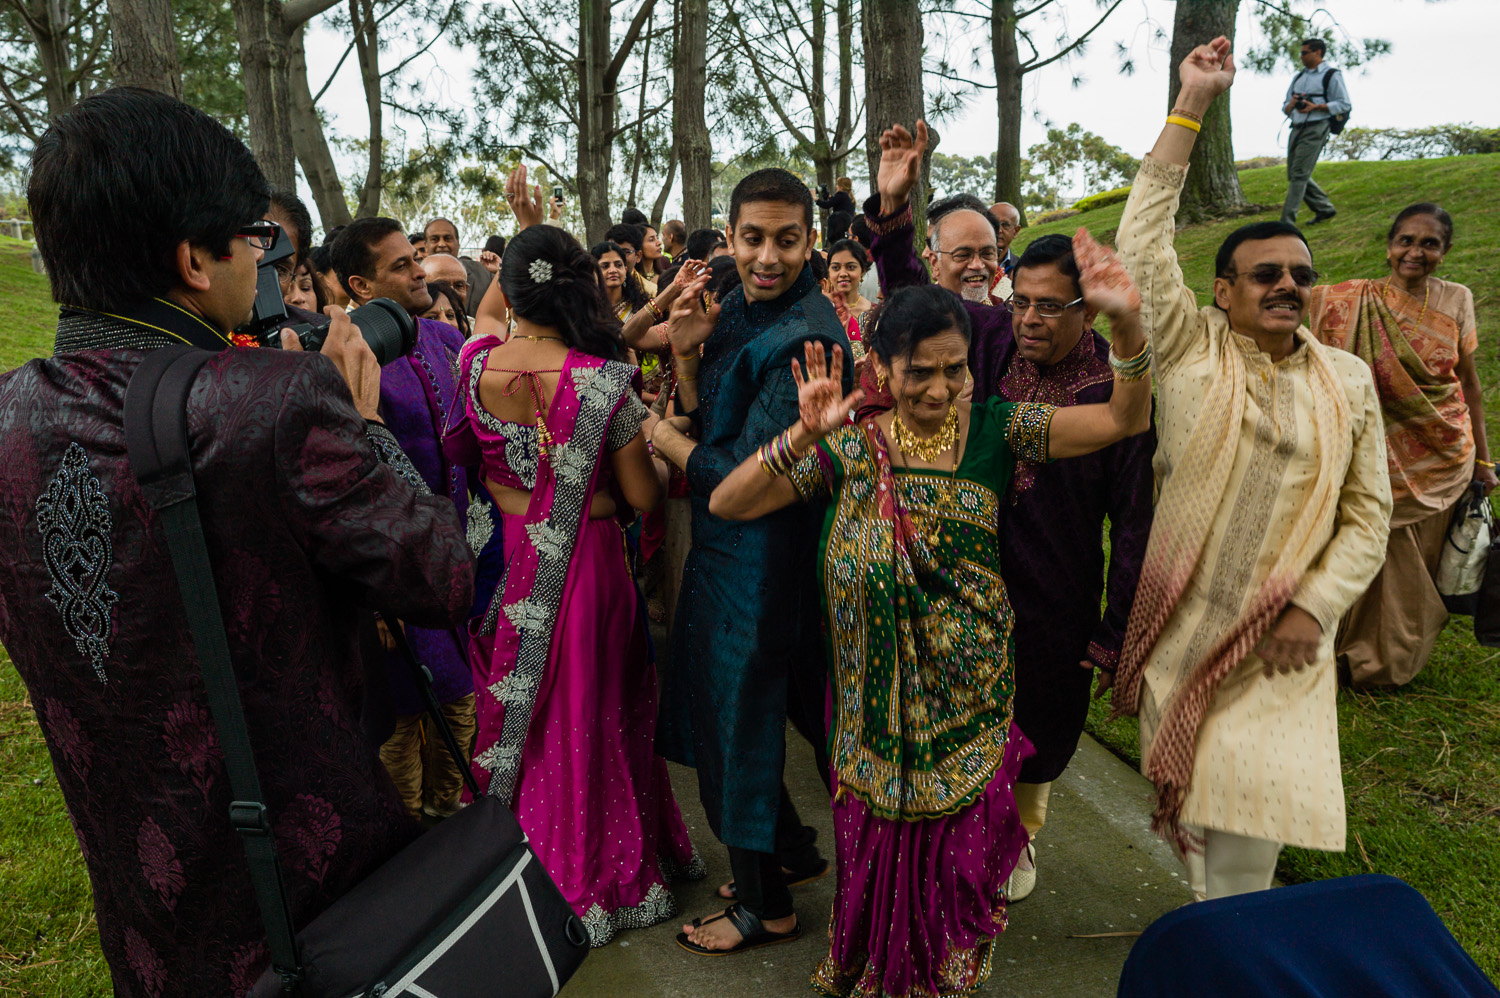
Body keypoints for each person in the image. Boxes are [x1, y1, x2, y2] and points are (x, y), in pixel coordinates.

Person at [0, 87, 472, 996]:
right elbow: (442, 577)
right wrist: (366, 421)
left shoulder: (11, 416)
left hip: (144, 908)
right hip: (313, 897)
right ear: (191, 255)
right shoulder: (269, 400)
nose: (262, 259)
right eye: (255, 239)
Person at [706, 234, 1153, 989]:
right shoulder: (849, 448)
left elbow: (1121, 422)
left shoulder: (999, 431)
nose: (942, 389)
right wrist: (801, 433)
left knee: (959, 872)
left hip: (969, 697)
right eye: (920, 372)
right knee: (877, 860)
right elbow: (728, 501)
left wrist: (1131, 331)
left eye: (957, 369)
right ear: (881, 367)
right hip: (872, 709)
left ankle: (945, 979)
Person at [1112, 36, 1391, 900]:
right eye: (1263, 273)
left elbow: (1368, 513)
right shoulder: (1191, 349)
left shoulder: (1346, 381)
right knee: (1199, 849)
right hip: (1186, 634)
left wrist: (1314, 606)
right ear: (1222, 291)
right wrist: (1193, 102)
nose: (1287, 284)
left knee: (1253, 844)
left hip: (1285, 646)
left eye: (1301, 274)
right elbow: (1141, 238)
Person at [443, 222, 703, 945]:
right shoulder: (602, 383)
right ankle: (598, 869)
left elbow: (490, 318)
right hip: (585, 565)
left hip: (503, 559)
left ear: (515, 286)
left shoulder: (474, 365)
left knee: (528, 716)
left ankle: (516, 856)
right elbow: (644, 499)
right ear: (583, 286)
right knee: (590, 711)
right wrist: (658, 446)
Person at [651, 167, 850, 955]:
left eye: (787, 239)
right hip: (725, 549)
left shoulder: (806, 336)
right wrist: (689, 363)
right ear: (729, 237)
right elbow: (714, 428)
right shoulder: (735, 303)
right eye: (753, 238)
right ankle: (792, 854)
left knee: (741, 721)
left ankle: (764, 906)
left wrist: (662, 437)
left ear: (811, 241)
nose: (768, 255)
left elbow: (746, 477)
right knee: (745, 710)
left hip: (765, 557)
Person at [991, 234, 1155, 902]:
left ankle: (1021, 832)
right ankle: (974, 830)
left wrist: (1116, 631)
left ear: (1087, 312)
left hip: (1058, 593)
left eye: (1050, 307)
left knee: (1044, 724)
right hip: (975, 580)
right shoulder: (993, 354)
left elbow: (1136, 521)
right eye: (1020, 302)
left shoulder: (1119, 392)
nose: (1029, 319)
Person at [1308, 203, 1493, 688]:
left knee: (1412, 566)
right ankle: (1335, 647)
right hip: (1370, 457)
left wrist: (1484, 459)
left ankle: (1386, 659)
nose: (1415, 252)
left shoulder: (1456, 300)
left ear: (1445, 251)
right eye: (1406, 241)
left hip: (1441, 454)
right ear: (1390, 247)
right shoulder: (1346, 302)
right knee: (1358, 546)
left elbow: (1468, 384)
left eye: (1428, 243)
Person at [333, 217, 479, 822]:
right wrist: (371, 599)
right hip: (391, 583)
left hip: (455, 563)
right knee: (402, 725)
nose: (421, 270)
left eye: (415, 257)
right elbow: (342, 484)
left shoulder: (445, 342)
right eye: (401, 265)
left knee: (463, 708)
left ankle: (452, 829)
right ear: (361, 286)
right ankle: (410, 849)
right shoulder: (343, 357)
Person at [862, 122, 1016, 402]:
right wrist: (893, 203)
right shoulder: (908, 316)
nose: (977, 265)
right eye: (963, 254)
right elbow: (902, 278)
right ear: (933, 259)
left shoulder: (1009, 323)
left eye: (988, 253)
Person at [1280, 37, 1349, 226]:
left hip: (1317, 126)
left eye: (1304, 52)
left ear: (1318, 53)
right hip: (1296, 127)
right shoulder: (1299, 77)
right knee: (1294, 174)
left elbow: (1344, 103)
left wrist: (1316, 107)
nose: (1301, 56)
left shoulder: (1331, 75)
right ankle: (1324, 208)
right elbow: (1285, 107)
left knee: (1299, 174)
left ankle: (1286, 222)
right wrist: (1293, 104)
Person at [823, 238, 874, 344]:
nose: (842, 273)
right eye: (836, 268)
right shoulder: (819, 307)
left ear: (863, 271)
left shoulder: (874, 314)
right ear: (829, 271)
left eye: (850, 267)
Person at [988, 201, 1022, 300]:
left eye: (1005, 225)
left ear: (1015, 231)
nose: (999, 230)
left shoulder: (1021, 268)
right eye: (994, 224)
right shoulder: (973, 264)